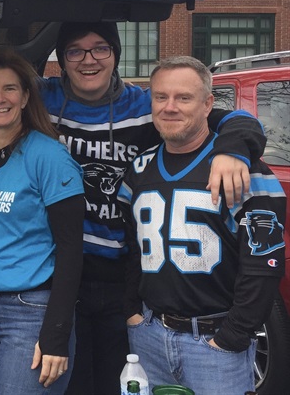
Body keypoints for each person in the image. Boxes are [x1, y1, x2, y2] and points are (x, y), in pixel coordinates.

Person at [0, 22, 266, 394]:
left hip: (114, 274)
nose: (88, 59)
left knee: (117, 382)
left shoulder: (146, 105)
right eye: (75, 51)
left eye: (100, 48)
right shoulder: (39, 98)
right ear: (61, 60)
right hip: (51, 285)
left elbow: (215, 114)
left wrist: (233, 147)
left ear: (115, 55)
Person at [118, 56, 286, 394]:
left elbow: (263, 264)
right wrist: (131, 311)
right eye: (161, 97)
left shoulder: (242, 169)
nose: (170, 107)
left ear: (208, 103)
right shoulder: (138, 169)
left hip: (214, 341)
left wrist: (233, 336)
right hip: (149, 334)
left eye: (184, 98)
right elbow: (129, 246)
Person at [0, 48, 85, 394]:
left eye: (9, 89)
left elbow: (72, 249)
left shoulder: (50, 156)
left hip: (30, 311)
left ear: (26, 96)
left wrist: (57, 332)